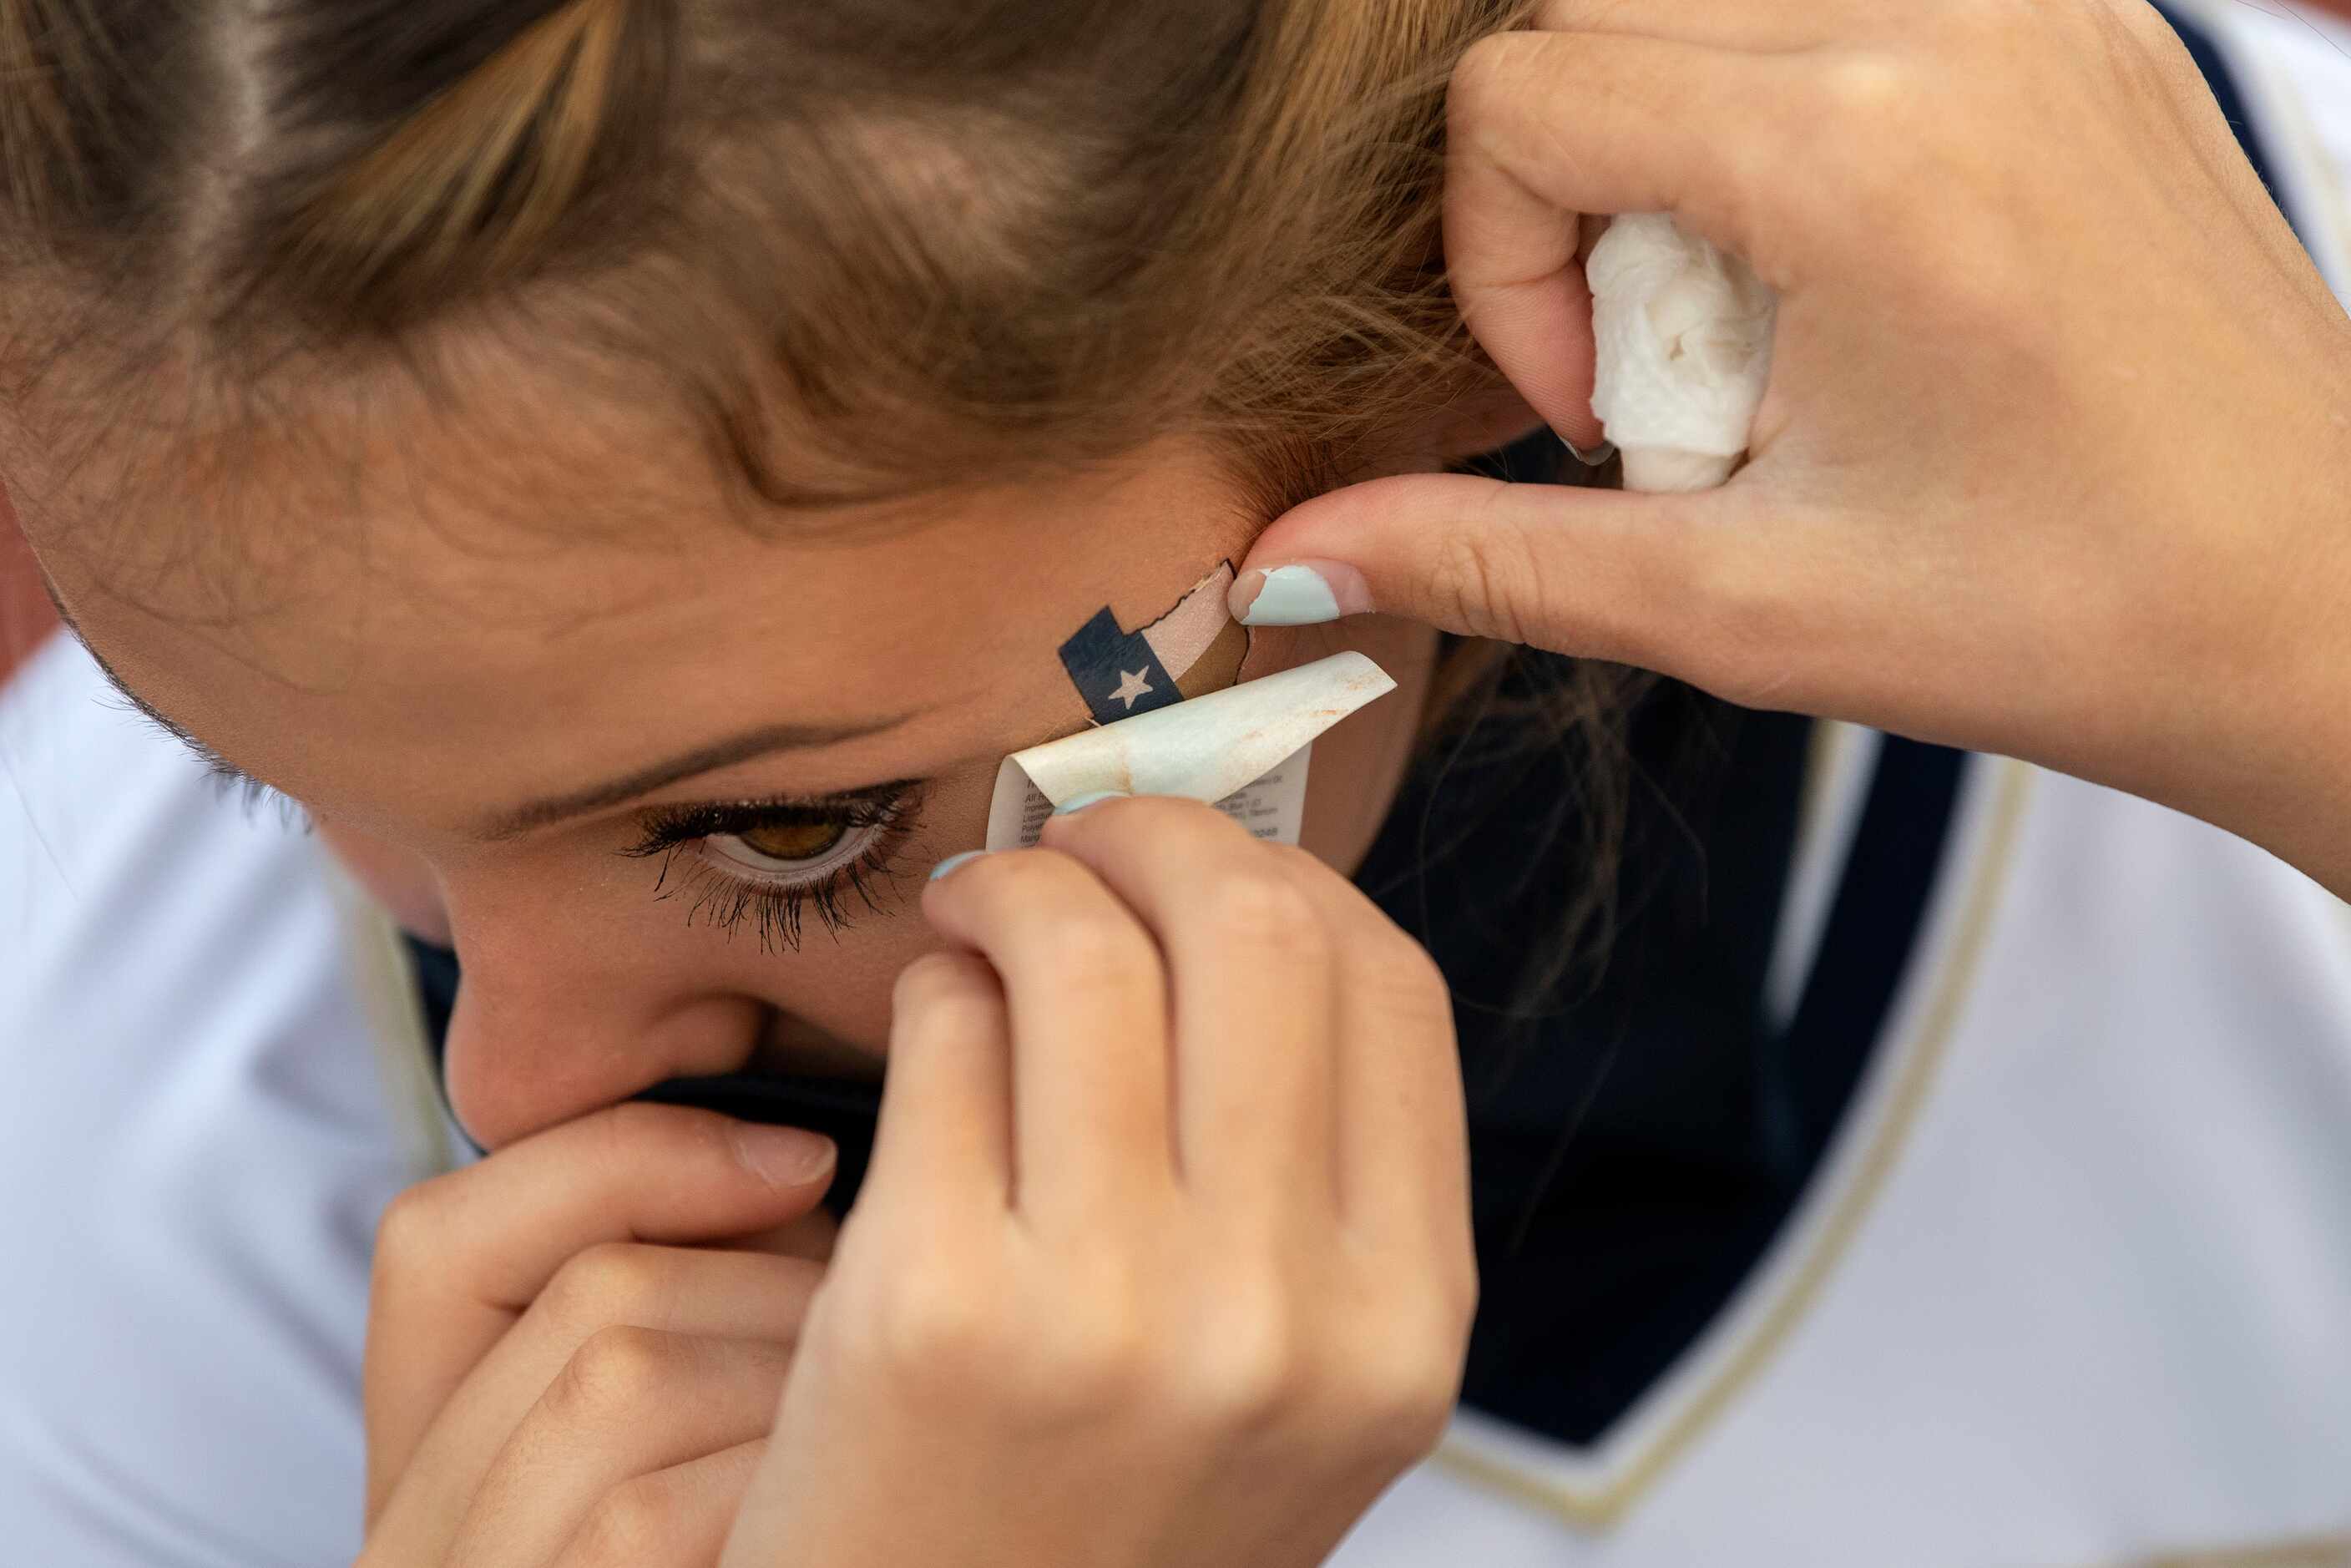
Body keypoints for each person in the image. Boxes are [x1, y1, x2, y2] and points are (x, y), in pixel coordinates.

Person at [3, 3, 2348, 1567]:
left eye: (790, 825)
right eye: (250, 764)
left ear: (1467, 331)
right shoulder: (119, 1125)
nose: (502, 1092)